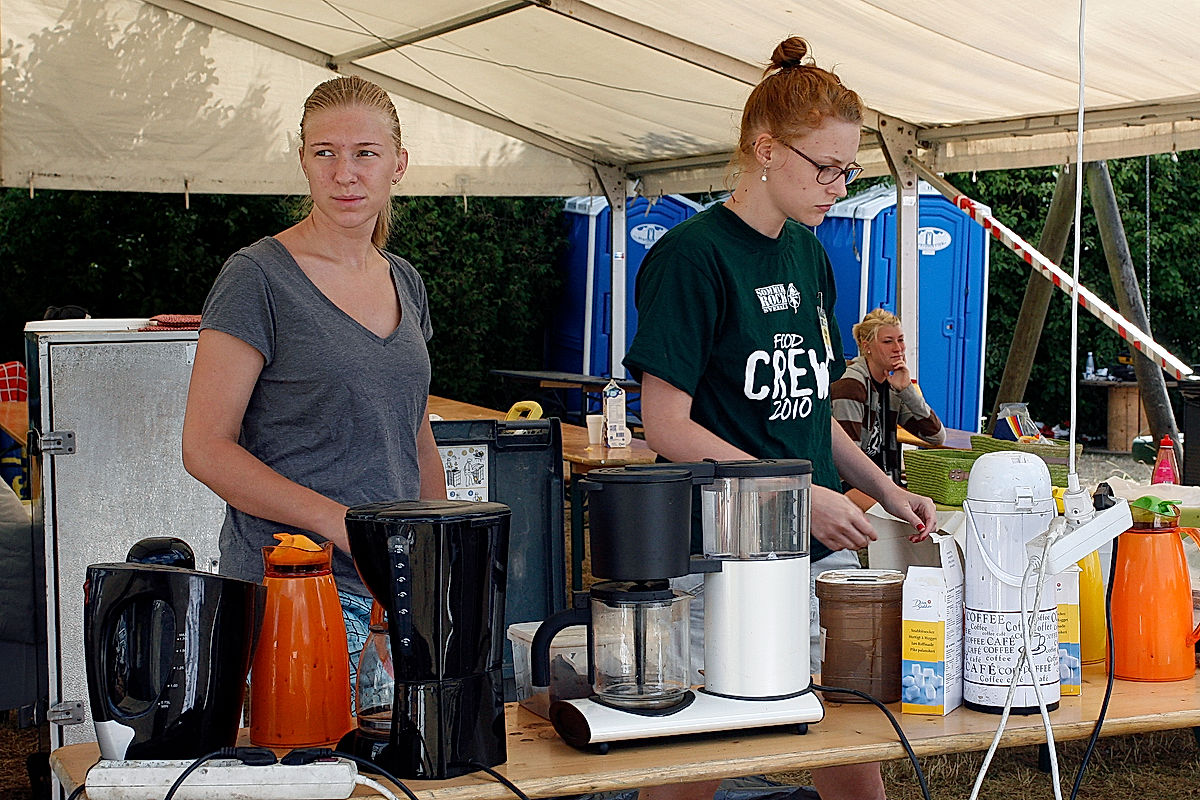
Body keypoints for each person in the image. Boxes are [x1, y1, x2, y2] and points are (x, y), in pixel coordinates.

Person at [622, 37, 936, 800]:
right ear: (766, 150)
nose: (838, 185)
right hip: (716, 551)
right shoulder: (691, 257)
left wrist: (885, 488)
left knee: (848, 743)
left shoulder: (809, 255)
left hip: (810, 546)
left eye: (849, 168)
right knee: (695, 755)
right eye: (824, 167)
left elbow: (808, 415)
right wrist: (794, 493)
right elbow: (664, 425)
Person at [182, 75, 446, 687]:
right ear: (302, 159)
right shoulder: (256, 277)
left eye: (364, 154)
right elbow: (205, 447)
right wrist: (345, 524)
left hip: (393, 599)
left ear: (398, 164)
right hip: (293, 593)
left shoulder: (405, 280)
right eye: (324, 153)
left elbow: (415, 438)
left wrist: (430, 559)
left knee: (404, 781)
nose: (344, 173)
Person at [831, 308, 945, 486]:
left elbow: (936, 436)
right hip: (849, 487)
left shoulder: (893, 386)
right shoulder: (851, 384)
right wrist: (889, 495)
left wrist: (907, 390)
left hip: (883, 485)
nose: (898, 348)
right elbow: (847, 464)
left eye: (900, 340)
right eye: (888, 341)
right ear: (866, 346)